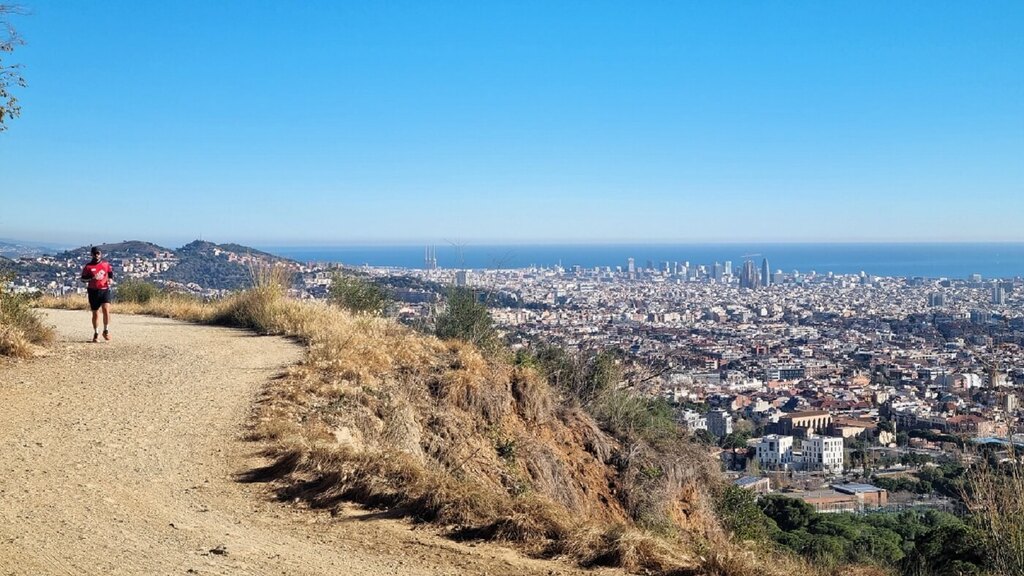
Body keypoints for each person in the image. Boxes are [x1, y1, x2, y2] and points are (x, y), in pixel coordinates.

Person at [80, 246, 114, 342]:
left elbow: (110, 272)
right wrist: (91, 278)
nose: (96, 255)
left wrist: (110, 279)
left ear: (101, 254)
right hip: (93, 291)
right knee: (95, 313)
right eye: (95, 253)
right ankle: (96, 333)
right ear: (91, 255)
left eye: (98, 253)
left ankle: (106, 331)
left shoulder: (105, 264)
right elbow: (83, 279)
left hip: (104, 289)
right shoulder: (88, 267)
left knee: (106, 309)